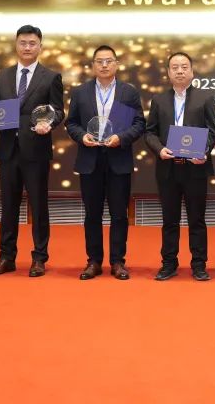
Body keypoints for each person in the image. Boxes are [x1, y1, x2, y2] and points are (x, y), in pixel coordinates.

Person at [0, 25, 64, 278]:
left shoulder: (51, 77)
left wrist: (50, 123)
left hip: (36, 149)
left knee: (39, 206)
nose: (27, 47)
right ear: (16, 45)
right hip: (7, 150)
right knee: (8, 206)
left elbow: (59, 110)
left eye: (32, 43)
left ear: (40, 47)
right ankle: (6, 257)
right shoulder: (3, 75)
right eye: (23, 43)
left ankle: (39, 258)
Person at [65, 45, 145, 280]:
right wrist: (82, 136)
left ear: (116, 64)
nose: (104, 65)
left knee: (119, 214)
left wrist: (121, 138)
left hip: (118, 159)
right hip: (90, 160)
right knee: (92, 214)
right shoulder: (80, 92)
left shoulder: (129, 92)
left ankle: (118, 261)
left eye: (109, 61)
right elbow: (71, 123)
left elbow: (139, 124)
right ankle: (94, 261)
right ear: (93, 66)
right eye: (99, 61)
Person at [144, 52, 215, 281]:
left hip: (195, 168)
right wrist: (159, 149)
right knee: (170, 219)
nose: (179, 71)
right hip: (168, 168)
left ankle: (199, 264)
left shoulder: (205, 98)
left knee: (197, 219)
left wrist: (203, 151)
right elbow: (150, 132)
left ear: (192, 71)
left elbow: (212, 131)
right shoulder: (159, 100)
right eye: (175, 67)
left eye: (184, 67)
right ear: (168, 72)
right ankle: (168, 263)